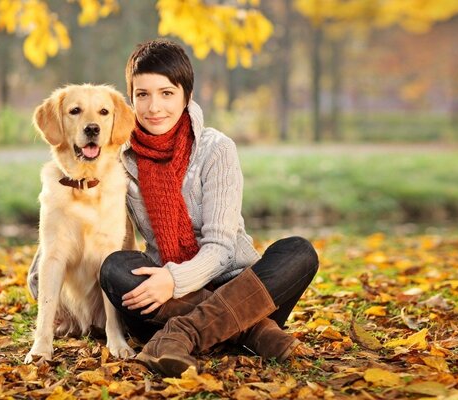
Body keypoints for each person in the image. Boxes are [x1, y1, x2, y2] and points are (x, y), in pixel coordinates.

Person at [28, 38, 319, 378]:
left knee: (298, 252)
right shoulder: (118, 158)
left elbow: (222, 249)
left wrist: (175, 280)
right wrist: (45, 284)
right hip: (166, 300)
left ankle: (182, 336)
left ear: (187, 97)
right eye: (143, 95)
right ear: (132, 99)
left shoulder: (216, 149)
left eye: (166, 93)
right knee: (116, 268)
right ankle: (254, 332)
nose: (154, 107)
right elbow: (70, 236)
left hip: (234, 285)